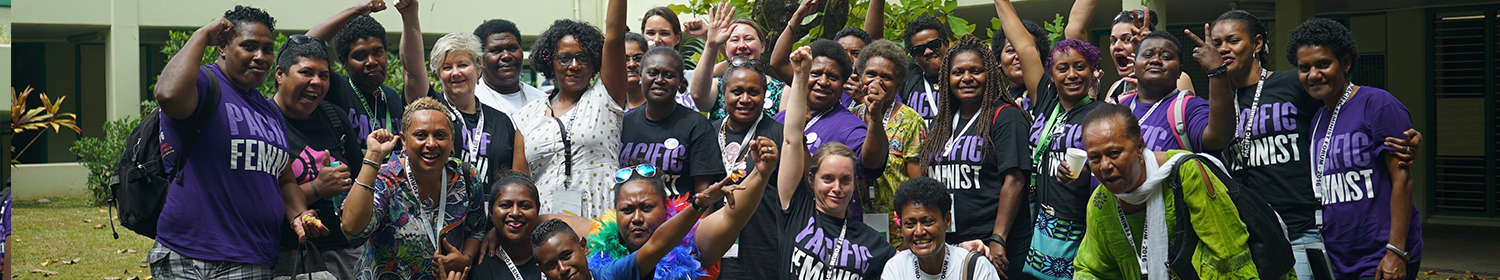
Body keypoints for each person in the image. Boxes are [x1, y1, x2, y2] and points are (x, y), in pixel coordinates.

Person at [1181, 11, 1423, 280]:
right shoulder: (1221, 105)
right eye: (1216, 43)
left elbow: (1351, 110)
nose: (1223, 48)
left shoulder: (1294, 84)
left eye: (1233, 40)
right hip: (1258, 233)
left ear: (1257, 44)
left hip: (1306, 230)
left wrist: (1408, 137)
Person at [149, 6, 327, 279]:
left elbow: (285, 180)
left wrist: (299, 216)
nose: (261, 57)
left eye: (268, 49)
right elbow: (167, 95)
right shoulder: (204, 85)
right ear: (222, 46)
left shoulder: (270, 113)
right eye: (249, 46)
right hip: (188, 255)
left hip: (251, 258)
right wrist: (202, 35)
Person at [1286, 18, 1422, 280]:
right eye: (1304, 68)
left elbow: (1402, 180)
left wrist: (1396, 252)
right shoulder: (1317, 120)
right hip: (1339, 256)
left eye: (1323, 64)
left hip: (1381, 253)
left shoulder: (1377, 104)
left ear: (1345, 63)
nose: (1313, 75)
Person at [1071, 104, 1269, 280]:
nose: (1105, 166)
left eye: (1114, 153)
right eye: (1095, 158)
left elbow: (1228, 256)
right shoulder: (1101, 203)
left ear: (1139, 146)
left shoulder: (1184, 173)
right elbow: (1092, 269)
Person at [995, 0, 1103, 278]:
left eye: (1080, 67)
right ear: (1051, 75)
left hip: (1081, 226)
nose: (1072, 75)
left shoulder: (1102, 115)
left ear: (1092, 72)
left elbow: (1114, 169)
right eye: (1062, 68)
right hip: (1040, 222)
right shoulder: (1044, 99)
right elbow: (1024, 45)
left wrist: (1085, 176)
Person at [775, 46, 897, 280]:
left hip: (839, 235)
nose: (822, 81)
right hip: (786, 223)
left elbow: (872, 165)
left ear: (843, 84)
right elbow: (789, 141)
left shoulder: (848, 125)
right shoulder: (780, 120)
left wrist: (875, 118)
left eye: (832, 77)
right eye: (815, 73)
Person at [918, 34, 1034, 279]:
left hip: (993, 245)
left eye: (976, 71)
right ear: (947, 78)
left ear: (990, 74)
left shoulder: (1006, 117)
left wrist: (998, 237)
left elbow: (1015, 180)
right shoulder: (943, 122)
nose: (966, 78)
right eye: (958, 72)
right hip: (951, 245)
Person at [344, 97, 490, 279]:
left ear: (452, 141)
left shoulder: (467, 177)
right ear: (404, 141)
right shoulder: (386, 179)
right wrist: (373, 156)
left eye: (440, 135)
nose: (431, 143)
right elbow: (352, 228)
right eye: (420, 135)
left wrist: (465, 258)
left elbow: (476, 229)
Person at [513, 0, 631, 218]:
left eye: (583, 57)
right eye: (565, 58)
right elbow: (519, 187)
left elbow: (615, 38)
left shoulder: (605, 98)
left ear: (595, 61)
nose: (574, 65)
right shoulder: (526, 116)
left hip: (601, 223)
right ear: (551, 63)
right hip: (546, 228)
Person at [588, 143, 776, 279]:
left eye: (646, 208)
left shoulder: (693, 242)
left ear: (666, 205)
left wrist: (760, 174)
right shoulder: (601, 246)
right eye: (627, 210)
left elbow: (732, 216)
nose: (637, 218)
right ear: (615, 213)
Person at [269, 35, 367, 279]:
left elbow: (359, 182)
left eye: (324, 75)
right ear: (280, 74)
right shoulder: (262, 121)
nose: (316, 82)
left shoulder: (335, 118)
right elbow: (258, 198)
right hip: (286, 252)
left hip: (344, 250)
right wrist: (318, 187)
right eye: (306, 72)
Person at [399, 8, 528, 188]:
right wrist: (410, 17)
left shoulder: (501, 121)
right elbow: (412, 72)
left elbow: (514, 178)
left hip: (489, 212)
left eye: (462, 65)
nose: (456, 73)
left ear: (478, 68)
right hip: (442, 209)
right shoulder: (432, 111)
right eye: (447, 67)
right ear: (438, 75)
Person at [712, 51, 789, 280]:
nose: (745, 99)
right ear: (723, 95)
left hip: (765, 249)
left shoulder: (779, 135)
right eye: (736, 91)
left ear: (764, 96)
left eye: (753, 92)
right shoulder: (708, 132)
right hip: (714, 248)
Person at [619, 46, 726, 199]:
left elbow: (705, 195)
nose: (659, 80)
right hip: (631, 218)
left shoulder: (697, 126)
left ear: (680, 81)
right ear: (641, 77)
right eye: (652, 73)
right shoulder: (624, 123)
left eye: (668, 75)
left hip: (681, 219)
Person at [848, 39, 925, 247]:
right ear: (861, 76)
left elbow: (917, 186)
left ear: (898, 84)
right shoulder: (849, 117)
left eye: (886, 77)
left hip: (898, 234)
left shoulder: (911, 121)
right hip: (854, 227)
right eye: (871, 74)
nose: (877, 82)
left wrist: (910, 238)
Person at [1115, 31, 1235, 153]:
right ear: (1134, 66)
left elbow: (1218, 138)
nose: (1155, 60)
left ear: (1179, 71)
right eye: (1147, 55)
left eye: (1166, 57)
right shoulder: (1118, 105)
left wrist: (1217, 72)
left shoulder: (1189, 108)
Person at [307, 1, 407, 147]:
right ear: (344, 62)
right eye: (360, 55)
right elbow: (303, 47)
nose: (371, 61)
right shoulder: (337, 89)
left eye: (378, 52)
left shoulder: (392, 98)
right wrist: (354, 11)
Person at [881, 177, 1002, 280]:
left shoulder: (975, 267)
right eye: (909, 224)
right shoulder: (896, 268)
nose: (919, 231)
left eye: (927, 222)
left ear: (947, 220)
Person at [688, 4, 789, 120]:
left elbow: (788, 134)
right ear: (725, 48)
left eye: (748, 39)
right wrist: (712, 45)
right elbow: (698, 97)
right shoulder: (718, 86)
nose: (741, 45)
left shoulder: (782, 92)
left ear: (762, 47)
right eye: (735, 40)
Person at [1101, 9, 1195, 104]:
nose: (1117, 46)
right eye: (1113, 41)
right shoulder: (1115, 88)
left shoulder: (1178, 79)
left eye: (1127, 39)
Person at [473, 19, 548, 115]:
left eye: (512, 49)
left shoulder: (541, 100)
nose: (506, 56)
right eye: (496, 51)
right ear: (479, 59)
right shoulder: (471, 101)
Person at [898, 15, 952, 123]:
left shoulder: (964, 79)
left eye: (934, 44)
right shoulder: (910, 77)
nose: (928, 52)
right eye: (919, 49)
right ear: (913, 56)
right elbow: (875, 42)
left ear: (946, 45)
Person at [989, 19, 1049, 112]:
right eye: (1011, 50)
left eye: (1027, 51)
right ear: (998, 60)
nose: (1019, 56)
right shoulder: (993, 101)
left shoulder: (1053, 91)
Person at [834, 27, 875, 110]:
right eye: (842, 53)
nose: (848, 59)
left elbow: (893, 120)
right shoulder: (823, 84)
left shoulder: (880, 87)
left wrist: (863, 99)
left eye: (856, 54)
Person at [622, 32, 653, 112]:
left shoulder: (658, 102)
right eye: (625, 59)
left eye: (638, 58)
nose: (631, 64)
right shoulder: (608, 104)